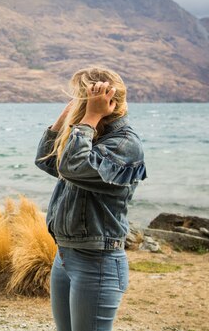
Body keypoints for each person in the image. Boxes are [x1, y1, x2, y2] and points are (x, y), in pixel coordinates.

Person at [35, 67, 147, 331]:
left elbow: (73, 166)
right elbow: (47, 160)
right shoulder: (90, 136)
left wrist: (90, 116)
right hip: (65, 256)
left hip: (97, 261)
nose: (78, 104)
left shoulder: (124, 143)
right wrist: (67, 116)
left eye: (81, 98)